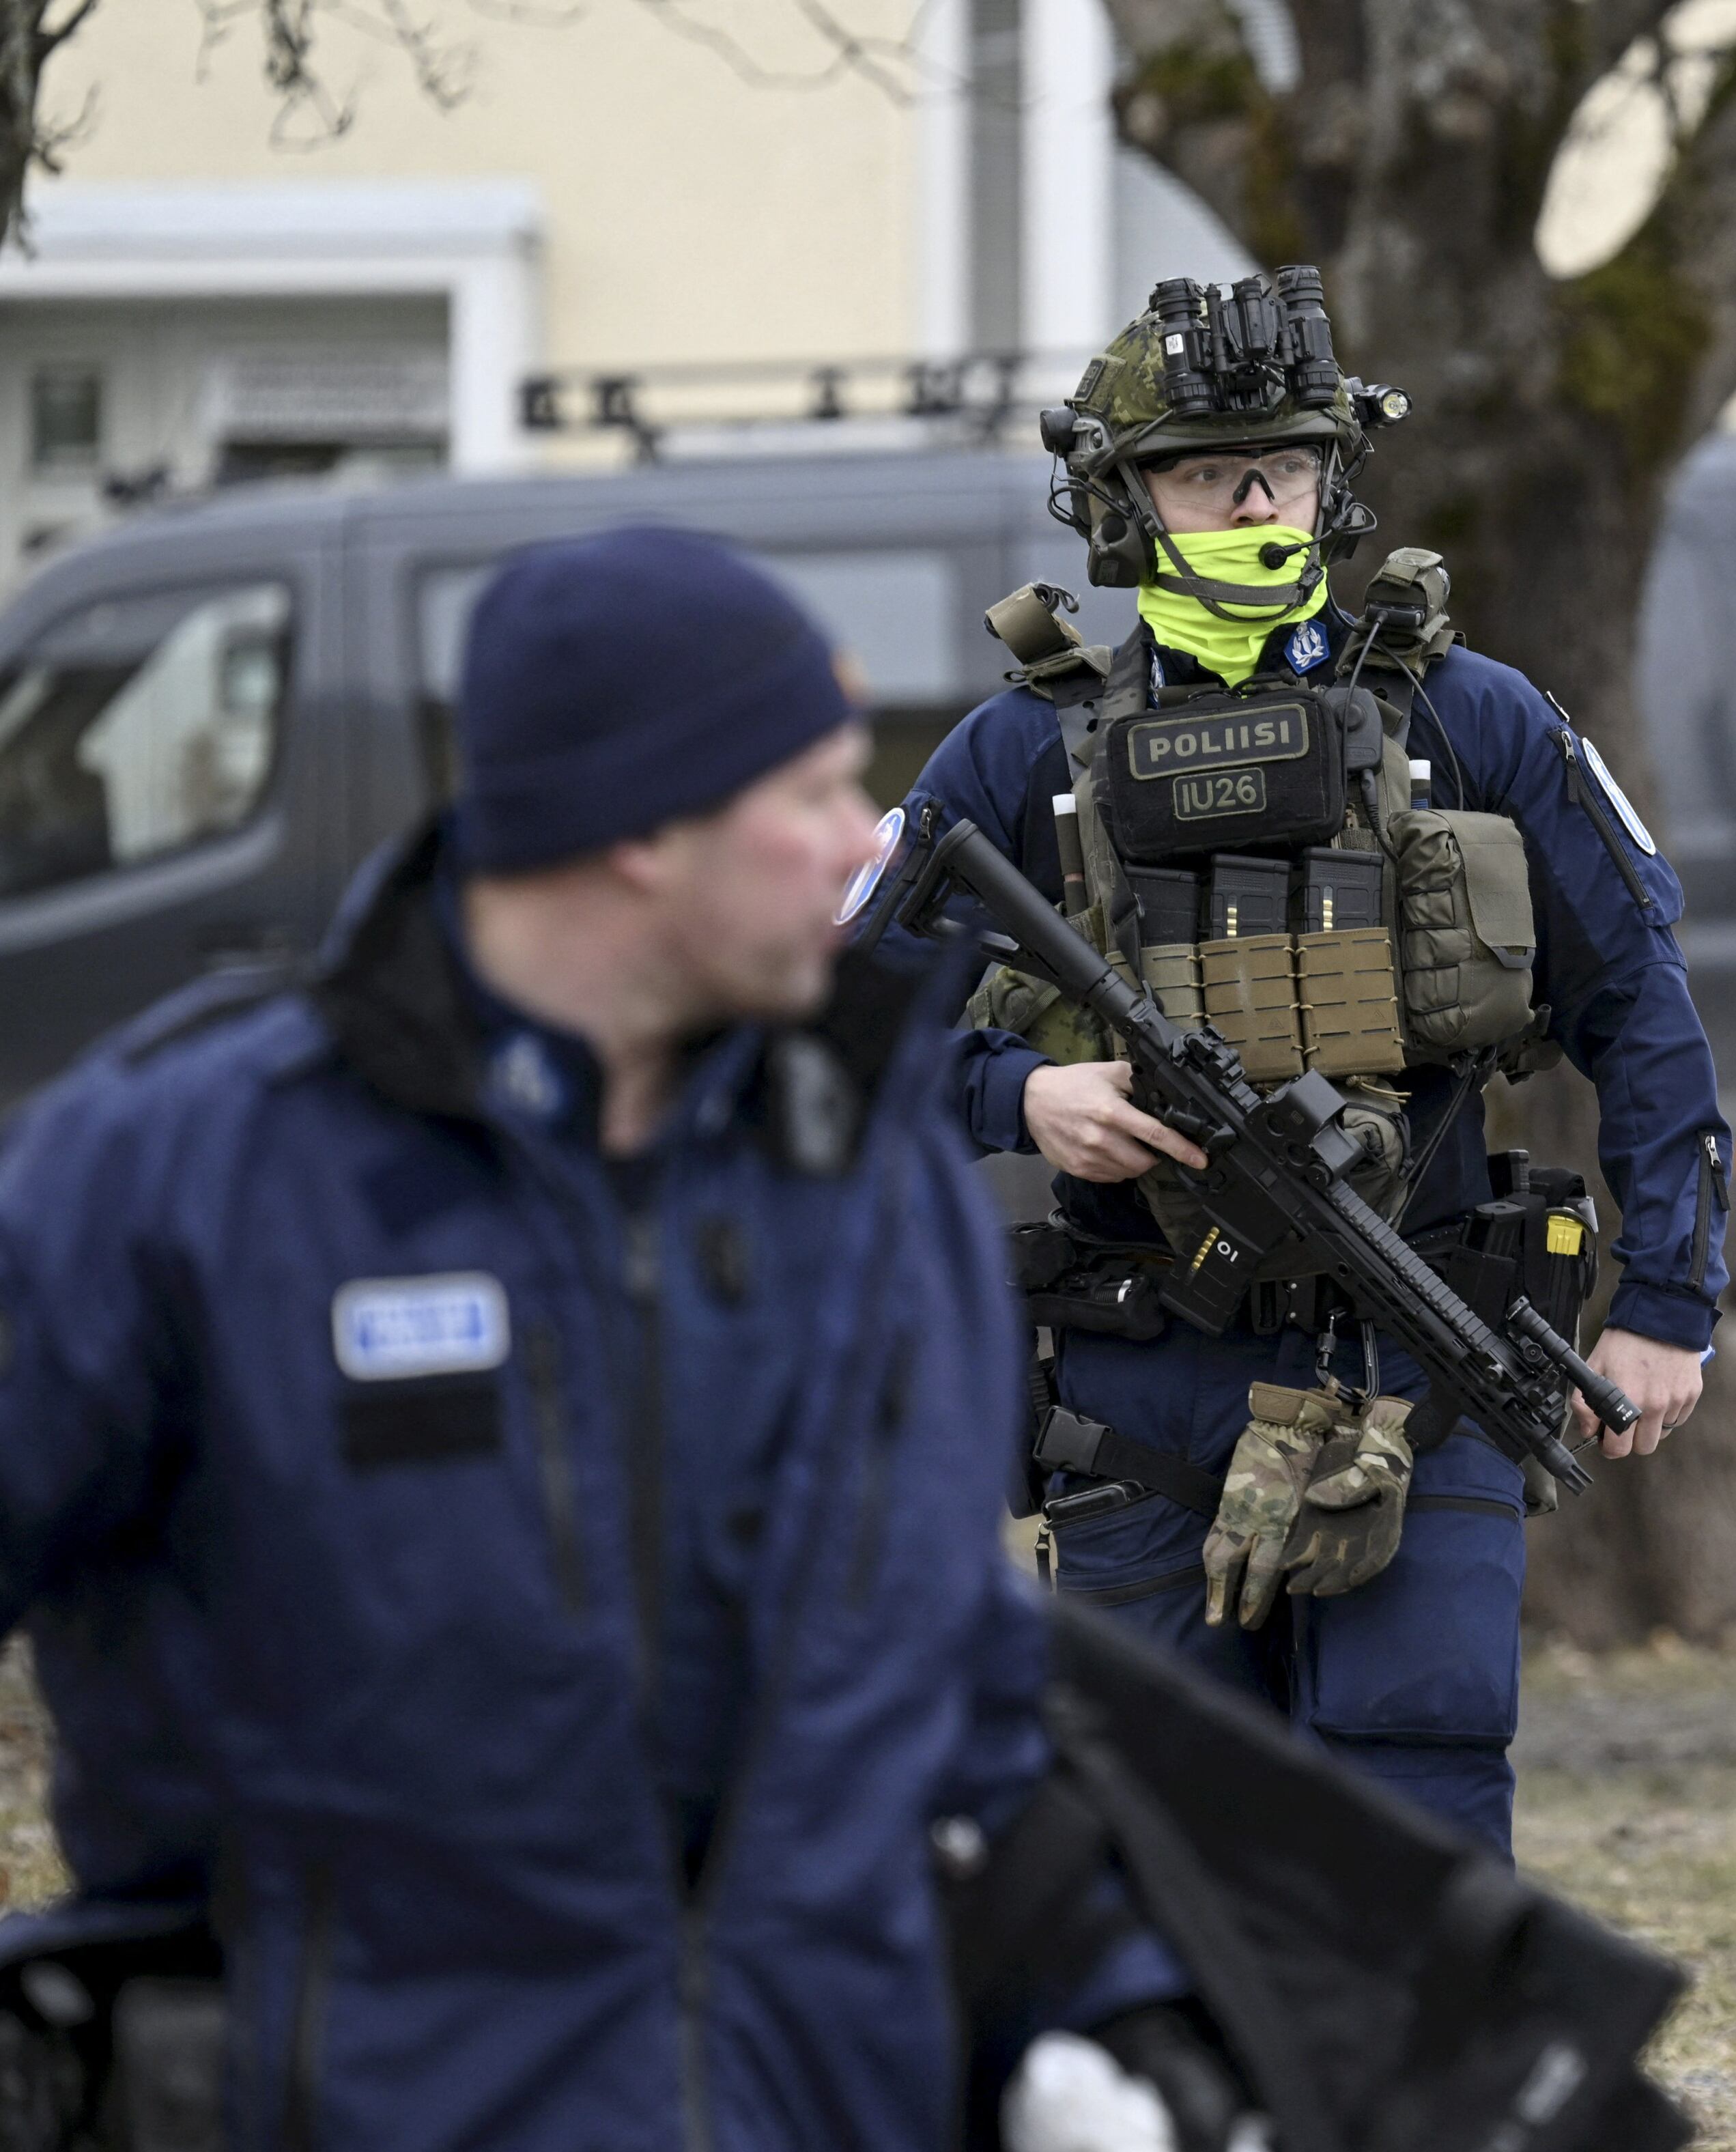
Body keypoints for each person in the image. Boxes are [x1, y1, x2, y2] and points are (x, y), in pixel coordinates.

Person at [0, 529, 1199, 2147]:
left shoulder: (873, 1180)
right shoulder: (188, 1175)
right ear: (636, 829)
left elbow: (965, 1696)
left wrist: (1116, 2021)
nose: (865, 845)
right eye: (808, 796)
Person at [899, 267, 1729, 1854]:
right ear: (1125, 501)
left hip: (1420, 1346)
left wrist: (1669, 1311)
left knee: (1413, 1799)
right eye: (1212, 474)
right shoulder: (1018, 754)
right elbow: (821, 1041)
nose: (1257, 503)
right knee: (1149, 1835)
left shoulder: (1473, 721)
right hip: (1140, 1377)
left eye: (1283, 467)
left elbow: (1643, 1004)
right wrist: (1023, 1097)